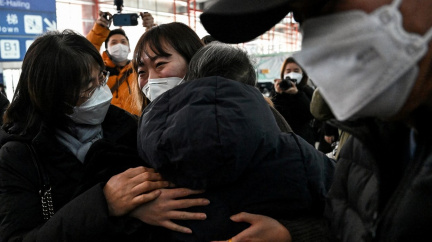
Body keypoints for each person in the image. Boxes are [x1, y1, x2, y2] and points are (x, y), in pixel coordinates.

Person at [201, 0, 432, 241]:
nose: (317, 41)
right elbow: (346, 226)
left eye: (324, 6)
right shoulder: (366, 140)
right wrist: (293, 234)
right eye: (301, 18)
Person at [0, 30, 210, 241]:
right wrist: (104, 204)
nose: (102, 92)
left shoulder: (129, 128)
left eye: (101, 78)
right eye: (87, 87)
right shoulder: (19, 156)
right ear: (51, 95)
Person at [134, 28, 334, 241]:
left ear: (193, 63)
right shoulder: (138, 132)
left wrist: (287, 232)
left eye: (160, 64)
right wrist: (134, 208)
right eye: (141, 72)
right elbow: (347, 203)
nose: (151, 79)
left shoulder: (146, 139)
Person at [86, 11, 155, 116]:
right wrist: (99, 29)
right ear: (107, 49)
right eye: (114, 43)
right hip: (108, 128)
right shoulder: (99, 72)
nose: (119, 45)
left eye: (123, 42)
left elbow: (155, 52)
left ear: (129, 48)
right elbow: (87, 52)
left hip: (136, 124)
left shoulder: (138, 70)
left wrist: (151, 29)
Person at [272, 57, 315, 145]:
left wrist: (297, 94)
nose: (292, 74)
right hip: (283, 138)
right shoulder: (278, 90)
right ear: (283, 74)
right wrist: (278, 95)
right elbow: (274, 114)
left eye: (296, 71)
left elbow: (310, 114)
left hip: (304, 139)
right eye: (288, 71)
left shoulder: (307, 91)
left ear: (302, 73)